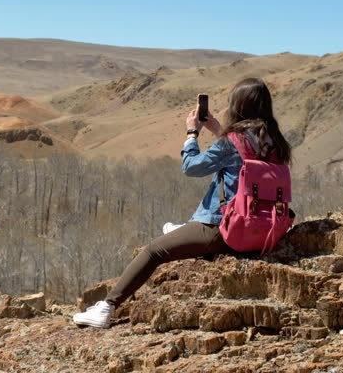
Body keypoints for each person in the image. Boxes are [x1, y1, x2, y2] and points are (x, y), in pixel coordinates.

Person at [72, 77, 292, 328]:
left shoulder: (231, 141)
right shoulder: (276, 142)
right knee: (178, 231)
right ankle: (184, 230)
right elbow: (242, 156)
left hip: (225, 230)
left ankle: (107, 307)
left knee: (153, 251)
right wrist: (219, 131)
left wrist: (192, 133)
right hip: (264, 230)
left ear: (238, 106)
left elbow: (191, 167)